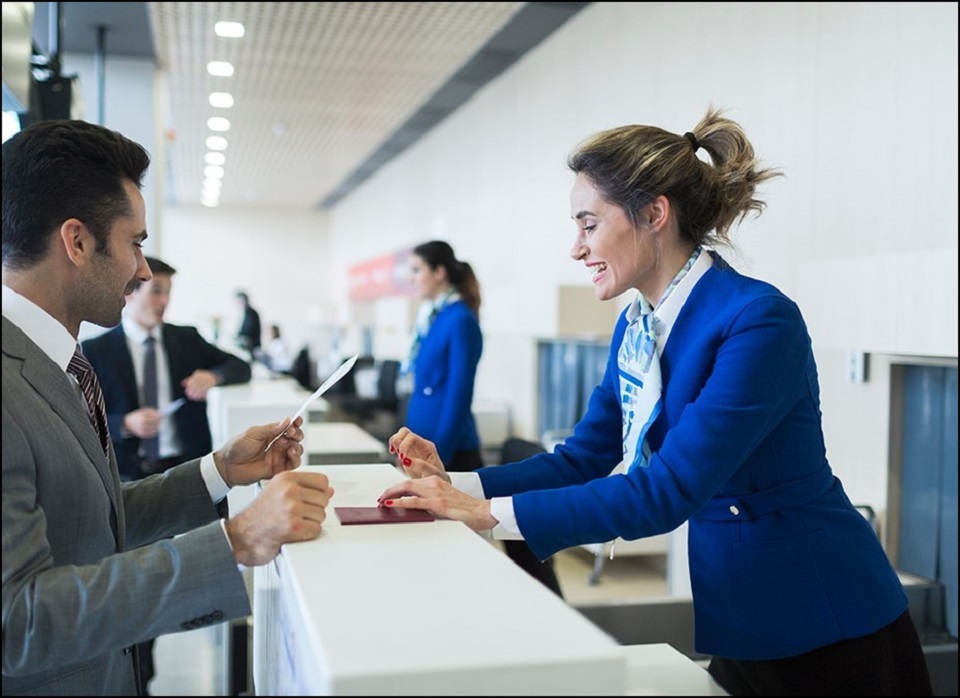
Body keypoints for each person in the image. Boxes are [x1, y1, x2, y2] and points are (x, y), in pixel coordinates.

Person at [377, 108, 933, 696]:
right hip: (738, 611)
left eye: (588, 225)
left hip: (824, 617)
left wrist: (489, 516)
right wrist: (461, 486)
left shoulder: (757, 321)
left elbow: (667, 491)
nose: (576, 247)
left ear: (654, 213)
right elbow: (581, 458)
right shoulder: (638, 327)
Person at [2, 119, 333, 696]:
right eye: (136, 243)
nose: (144, 271)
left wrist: (219, 470)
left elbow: (93, 521)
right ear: (76, 242)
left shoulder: (54, 360)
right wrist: (235, 542)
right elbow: (19, 623)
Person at [80, 255, 253, 693]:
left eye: (168, 292)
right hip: (130, 476)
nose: (163, 300)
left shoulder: (185, 340)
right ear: (132, 291)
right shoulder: (96, 350)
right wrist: (125, 423)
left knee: (201, 569)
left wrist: (211, 375)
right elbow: (82, 418)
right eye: (156, 290)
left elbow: (241, 366)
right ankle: (144, 675)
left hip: (190, 473)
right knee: (141, 582)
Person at [399, 240, 563, 597]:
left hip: (448, 450)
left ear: (440, 272)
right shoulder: (435, 316)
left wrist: (434, 456)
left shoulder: (459, 320)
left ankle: (548, 610)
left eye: (417, 270)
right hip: (426, 445)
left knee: (470, 553)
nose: (411, 279)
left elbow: (458, 396)